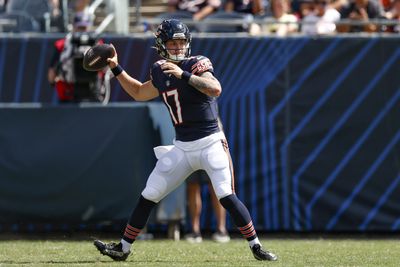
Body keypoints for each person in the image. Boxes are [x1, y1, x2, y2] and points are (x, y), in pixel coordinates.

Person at [93, 19, 277, 262]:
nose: (178, 47)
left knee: (225, 194)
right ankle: (123, 248)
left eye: (181, 42)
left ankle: (256, 247)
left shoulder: (196, 63)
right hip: (182, 147)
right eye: (173, 42)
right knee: (150, 193)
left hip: (211, 141)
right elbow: (139, 92)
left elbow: (215, 88)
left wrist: (185, 75)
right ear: (161, 45)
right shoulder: (159, 70)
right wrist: (116, 68)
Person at [47, 12, 105, 103]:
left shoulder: (62, 44)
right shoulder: (98, 44)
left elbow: (51, 73)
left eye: (83, 27)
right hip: (91, 94)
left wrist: (52, 83)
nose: (82, 31)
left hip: (69, 94)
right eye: (80, 27)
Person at [185, 170, 230, 243]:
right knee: (193, 184)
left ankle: (221, 230)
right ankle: (195, 232)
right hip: (191, 159)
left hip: (213, 159)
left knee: (216, 186)